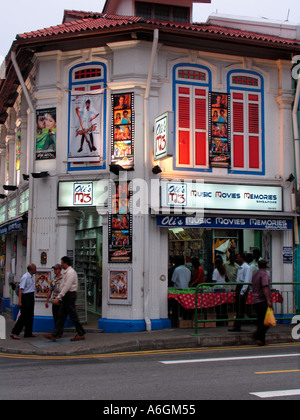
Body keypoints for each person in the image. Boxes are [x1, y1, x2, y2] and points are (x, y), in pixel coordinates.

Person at [44, 256, 86, 342]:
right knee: (61, 316)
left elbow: (67, 286)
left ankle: (81, 333)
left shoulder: (71, 272)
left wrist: (59, 297)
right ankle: (54, 334)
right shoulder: (66, 273)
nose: (61, 265)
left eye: (62, 263)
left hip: (69, 295)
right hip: (66, 296)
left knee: (73, 316)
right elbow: (63, 285)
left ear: (66, 263)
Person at [10, 264, 37, 339]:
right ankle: (15, 332)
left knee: (30, 315)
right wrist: (20, 301)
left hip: (31, 296)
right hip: (26, 297)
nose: (36, 270)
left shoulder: (31, 276)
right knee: (24, 315)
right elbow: (21, 289)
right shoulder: (25, 277)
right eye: (35, 269)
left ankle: (28, 332)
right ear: (31, 269)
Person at [228, 252, 252, 332]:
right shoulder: (240, 267)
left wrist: (242, 291)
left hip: (242, 288)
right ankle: (237, 325)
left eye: (238, 257)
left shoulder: (247, 267)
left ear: (242, 258)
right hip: (238, 287)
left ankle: (238, 325)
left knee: (241, 307)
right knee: (238, 307)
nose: (236, 259)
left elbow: (246, 280)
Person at [252, 260, 272, 346]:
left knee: (260, 320)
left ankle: (261, 340)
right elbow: (265, 287)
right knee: (268, 321)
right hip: (262, 300)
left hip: (255, 299)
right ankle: (257, 335)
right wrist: (268, 300)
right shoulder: (264, 274)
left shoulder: (255, 274)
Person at [45, 264, 63, 337]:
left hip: (61, 300)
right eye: (54, 269)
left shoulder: (63, 279)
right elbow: (50, 290)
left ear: (60, 269)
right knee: (55, 316)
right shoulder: (53, 279)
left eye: (56, 269)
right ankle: (57, 331)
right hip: (54, 299)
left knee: (60, 317)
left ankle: (59, 331)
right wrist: (47, 300)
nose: (55, 271)